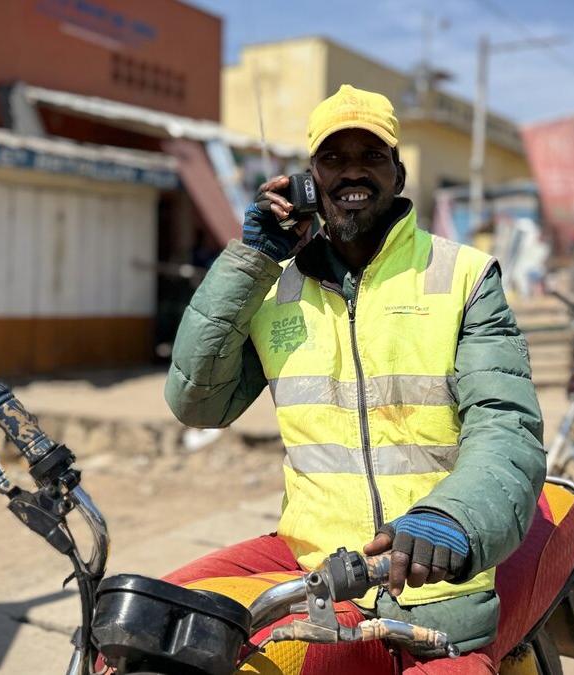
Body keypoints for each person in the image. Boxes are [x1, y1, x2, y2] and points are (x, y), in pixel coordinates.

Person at [164, 85, 545, 674]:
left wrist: (451, 518)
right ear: (310, 178)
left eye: (370, 156)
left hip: (435, 587)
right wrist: (251, 258)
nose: (353, 173)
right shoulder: (274, 287)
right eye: (334, 160)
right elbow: (196, 402)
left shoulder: (463, 276)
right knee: (153, 629)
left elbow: (507, 426)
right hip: (311, 571)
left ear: (397, 171)